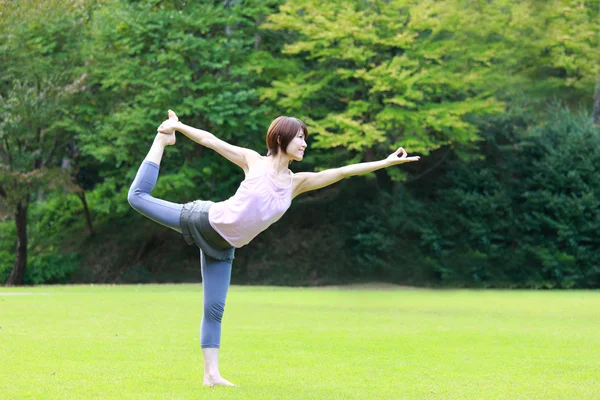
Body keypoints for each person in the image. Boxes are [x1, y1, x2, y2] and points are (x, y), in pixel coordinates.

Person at [127, 110, 420, 387]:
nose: (305, 143)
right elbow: (210, 140)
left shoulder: (296, 183)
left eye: (305, 138)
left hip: (224, 248)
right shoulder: (253, 161)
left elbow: (342, 171)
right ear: (281, 139)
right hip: (203, 221)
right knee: (137, 197)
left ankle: (211, 375)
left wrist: (384, 163)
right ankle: (161, 141)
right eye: (300, 137)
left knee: (214, 310)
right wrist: (176, 128)